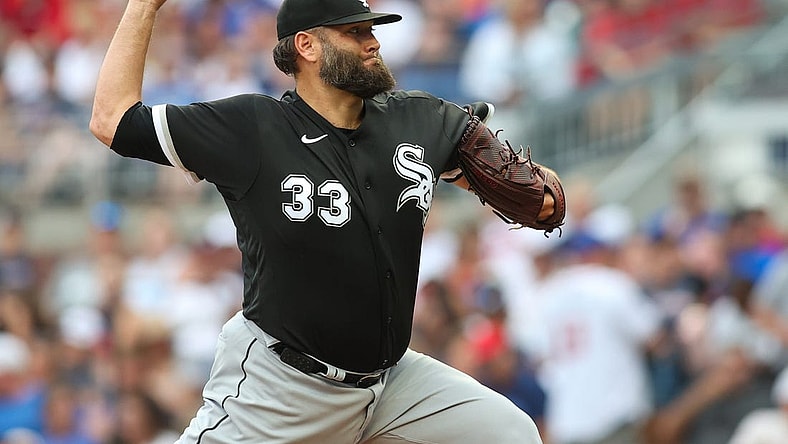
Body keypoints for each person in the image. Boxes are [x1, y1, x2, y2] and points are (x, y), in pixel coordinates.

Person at [89, 0, 561, 442]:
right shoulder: (252, 128)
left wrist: (534, 190)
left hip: (392, 383)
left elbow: (535, 195)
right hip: (281, 387)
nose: (372, 42)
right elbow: (112, 120)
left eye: (371, 31)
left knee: (512, 433)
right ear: (307, 45)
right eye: (354, 33)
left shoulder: (417, 120)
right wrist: (143, 6)